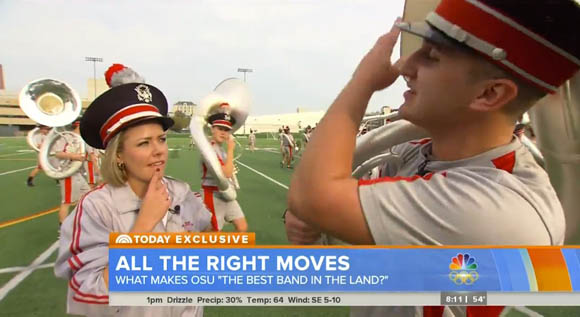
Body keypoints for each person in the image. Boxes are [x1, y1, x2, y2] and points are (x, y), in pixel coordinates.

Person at [286, 0, 579, 316]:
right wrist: (313, 221)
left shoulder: (501, 206)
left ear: (489, 94)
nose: (404, 67)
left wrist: (363, 81)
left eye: (431, 56)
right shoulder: (421, 148)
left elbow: (314, 197)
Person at [54, 69, 212, 317]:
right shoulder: (97, 207)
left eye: (161, 139)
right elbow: (86, 298)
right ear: (119, 155)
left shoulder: (181, 192)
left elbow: (206, 235)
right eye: (144, 143)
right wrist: (142, 229)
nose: (159, 150)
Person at [200, 105, 248, 232]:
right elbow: (226, 173)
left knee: (242, 227)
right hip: (213, 194)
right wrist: (231, 149)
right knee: (213, 233)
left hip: (226, 193)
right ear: (212, 129)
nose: (223, 132)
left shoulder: (220, 149)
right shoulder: (209, 149)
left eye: (226, 130)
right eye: (219, 128)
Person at [54, 121, 91, 226]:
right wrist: (75, 157)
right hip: (67, 172)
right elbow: (58, 153)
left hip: (77, 172)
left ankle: (81, 222)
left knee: (87, 196)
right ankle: (62, 229)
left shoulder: (81, 138)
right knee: (66, 202)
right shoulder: (66, 136)